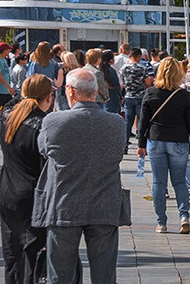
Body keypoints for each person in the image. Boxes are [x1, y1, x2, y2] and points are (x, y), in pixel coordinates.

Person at [39, 68, 130, 284]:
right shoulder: (116, 123)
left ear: (70, 91)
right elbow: (118, 152)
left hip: (64, 204)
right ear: (96, 92)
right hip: (104, 204)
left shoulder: (53, 121)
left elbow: (43, 150)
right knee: (105, 277)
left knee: (59, 276)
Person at [134, 59, 190, 234]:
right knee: (179, 182)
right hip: (179, 141)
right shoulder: (183, 95)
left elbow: (143, 122)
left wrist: (141, 144)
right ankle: (184, 216)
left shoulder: (150, 93)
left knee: (158, 182)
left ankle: (161, 223)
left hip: (156, 141)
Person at [0, 75, 52, 284]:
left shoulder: (8, 118)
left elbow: (10, 103)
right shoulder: (42, 127)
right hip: (33, 196)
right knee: (34, 254)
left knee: (12, 252)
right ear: (48, 97)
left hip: (8, 193)